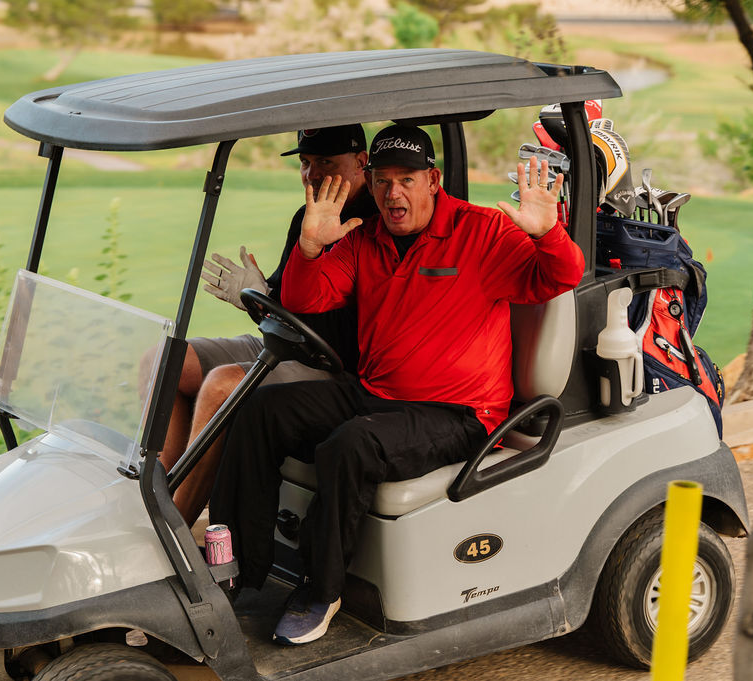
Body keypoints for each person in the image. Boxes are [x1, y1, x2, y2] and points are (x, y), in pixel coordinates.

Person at [208, 124, 585, 646]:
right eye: (382, 181)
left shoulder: (482, 232)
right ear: (370, 182)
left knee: (351, 444)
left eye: (406, 179)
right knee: (260, 409)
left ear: (433, 180)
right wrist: (310, 248)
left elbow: (558, 277)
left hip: (458, 411)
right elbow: (306, 300)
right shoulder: (365, 237)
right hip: (377, 392)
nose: (392, 193)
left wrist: (548, 233)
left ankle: (320, 591)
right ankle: (236, 569)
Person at [158, 125, 377, 526]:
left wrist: (269, 302)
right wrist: (256, 295)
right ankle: (157, 495)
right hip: (284, 346)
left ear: (361, 162)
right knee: (167, 360)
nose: (311, 174)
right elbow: (282, 302)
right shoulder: (306, 218)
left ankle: (171, 530)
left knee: (222, 385)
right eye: (306, 163)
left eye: (325, 162)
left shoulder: (376, 225)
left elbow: (340, 325)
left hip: (334, 368)